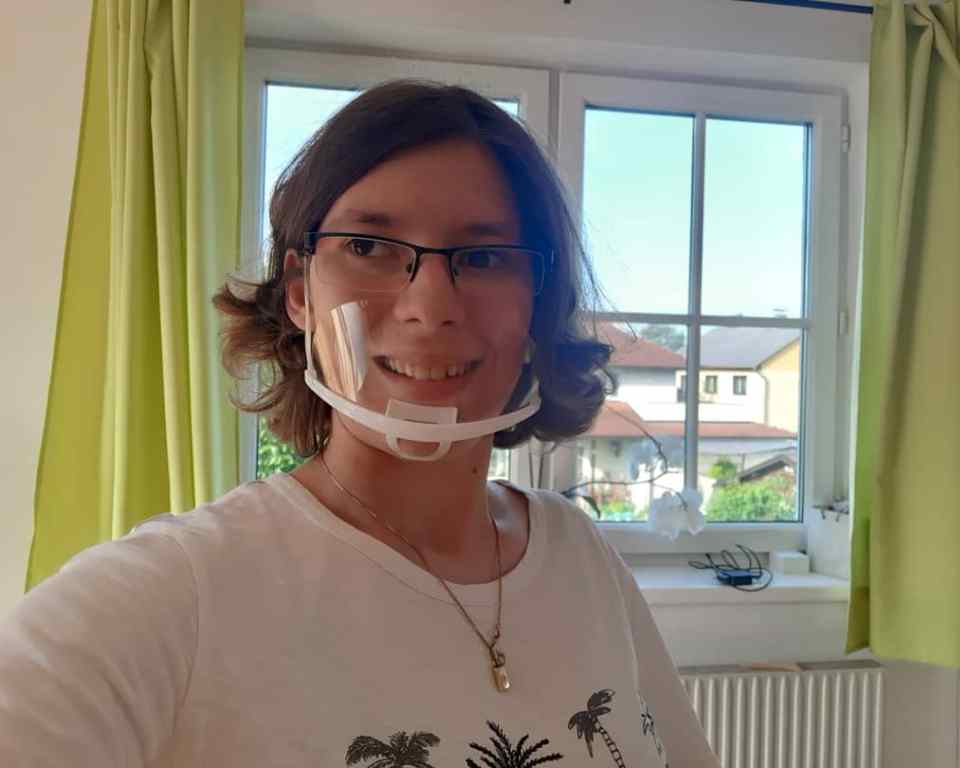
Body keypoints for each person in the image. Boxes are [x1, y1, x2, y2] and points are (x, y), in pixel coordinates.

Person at [0, 80, 719, 767]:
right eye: (369, 248)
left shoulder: (581, 557)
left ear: (537, 302)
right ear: (300, 294)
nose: (429, 307)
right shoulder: (177, 592)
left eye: (484, 256)